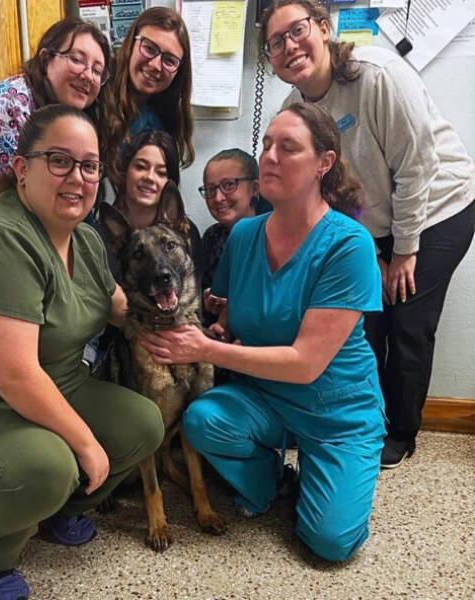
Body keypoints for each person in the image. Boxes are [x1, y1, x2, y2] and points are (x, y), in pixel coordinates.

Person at [0, 105, 164, 600]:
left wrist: (182, 326)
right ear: (22, 169)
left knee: (143, 424)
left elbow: (118, 307)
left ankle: (58, 509)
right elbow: (14, 374)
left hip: (57, 383)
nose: (77, 178)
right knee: (50, 465)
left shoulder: (84, 239)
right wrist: (84, 443)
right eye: (59, 160)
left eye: (89, 166)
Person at [141, 103, 386, 562]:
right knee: (202, 420)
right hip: (265, 399)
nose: (269, 156)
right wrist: (218, 322)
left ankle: (329, 468)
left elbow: (306, 362)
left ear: (323, 164)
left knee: (330, 543)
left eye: (287, 147)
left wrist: (207, 348)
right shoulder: (244, 235)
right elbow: (233, 311)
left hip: (336, 412)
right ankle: (275, 480)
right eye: (267, 144)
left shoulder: (349, 246)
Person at [259, 0, 475, 469]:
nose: (289, 46)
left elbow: (418, 166)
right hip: (374, 221)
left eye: (297, 31)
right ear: (271, 60)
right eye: (276, 42)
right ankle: (363, 420)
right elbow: (327, 191)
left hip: (438, 207)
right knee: (362, 322)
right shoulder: (292, 110)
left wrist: (403, 250)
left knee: (408, 321)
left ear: (323, 27)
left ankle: (399, 433)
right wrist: (367, 249)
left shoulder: (376, 74)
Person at [0, 18, 111, 243]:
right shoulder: (5, 106)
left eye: (97, 71)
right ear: (45, 59)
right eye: (77, 60)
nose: (88, 75)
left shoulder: (68, 117)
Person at [85, 129, 202, 371]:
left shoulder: (185, 234)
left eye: (161, 172)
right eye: (141, 166)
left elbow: (191, 303)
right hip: (109, 350)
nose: (150, 177)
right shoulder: (94, 236)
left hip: (176, 344)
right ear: (124, 171)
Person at [103, 7, 194, 186]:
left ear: (179, 72)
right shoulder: (96, 91)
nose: (155, 65)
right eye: (149, 48)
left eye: (169, 60)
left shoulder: (160, 124)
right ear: (130, 44)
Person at [198, 148, 268, 325]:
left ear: (255, 188)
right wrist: (209, 303)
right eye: (210, 189)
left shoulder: (273, 234)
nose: (218, 197)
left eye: (229, 185)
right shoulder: (212, 237)